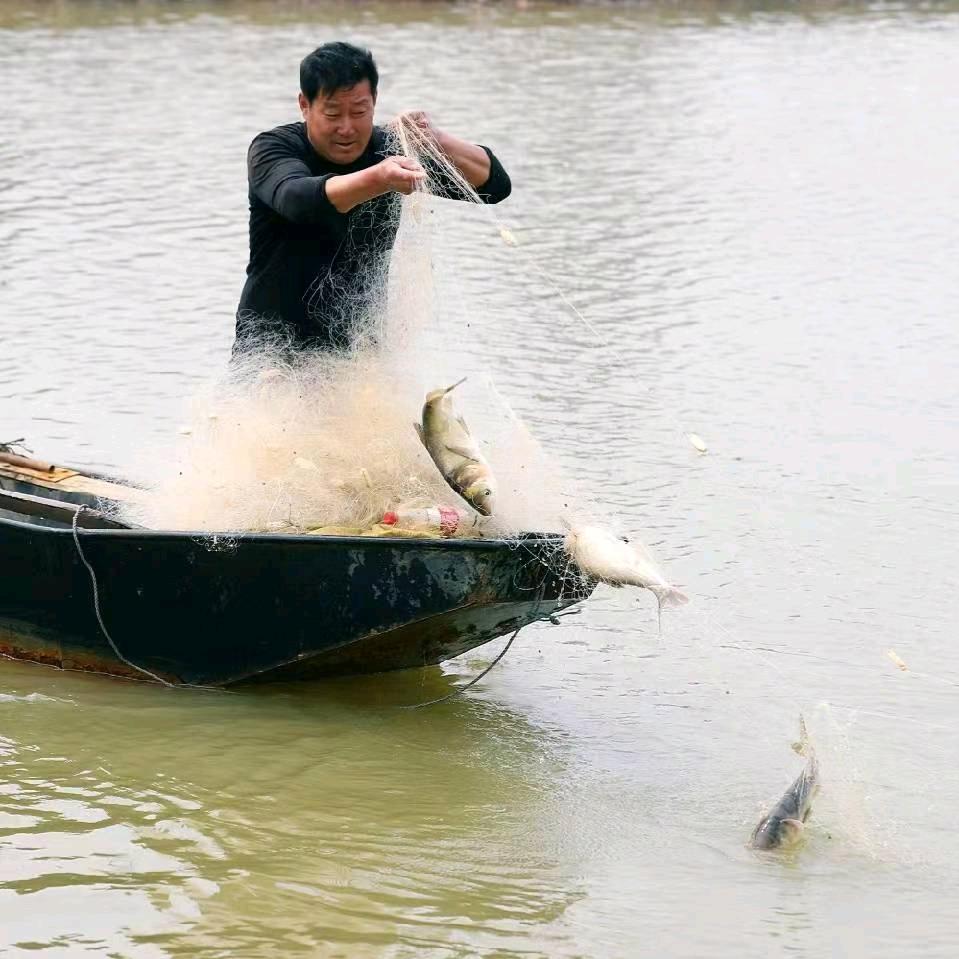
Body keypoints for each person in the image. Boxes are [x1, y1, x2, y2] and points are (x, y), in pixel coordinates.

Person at [235, 41, 512, 354]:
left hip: (361, 355)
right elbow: (298, 200)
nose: (347, 128)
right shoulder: (273, 149)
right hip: (270, 352)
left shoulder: (390, 150)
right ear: (304, 105)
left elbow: (493, 186)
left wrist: (435, 139)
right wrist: (379, 178)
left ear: (375, 101)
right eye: (332, 113)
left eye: (359, 112)